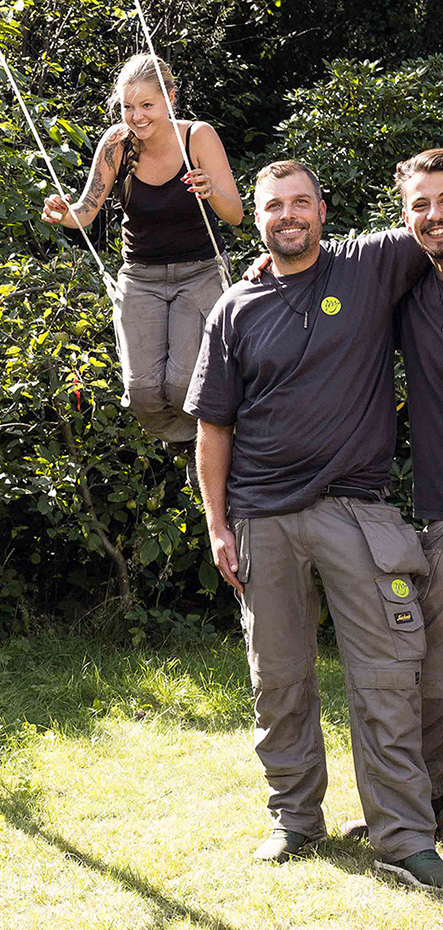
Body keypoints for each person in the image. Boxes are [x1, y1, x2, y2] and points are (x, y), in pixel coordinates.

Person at [184, 159, 443, 890]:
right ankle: (293, 820)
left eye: (301, 202)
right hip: (261, 517)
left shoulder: (370, 265)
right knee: (280, 681)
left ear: (323, 211)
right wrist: (217, 522)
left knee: (388, 679)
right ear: (257, 216)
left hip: (359, 514)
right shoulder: (233, 309)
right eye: (274, 206)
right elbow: (213, 428)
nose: (287, 214)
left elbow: (433, 218)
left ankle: (403, 838)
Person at [41, 54, 242, 464]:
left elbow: (236, 214)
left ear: (169, 99)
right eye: (127, 107)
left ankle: (207, 451)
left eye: (146, 105)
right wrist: (64, 215)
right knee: (143, 391)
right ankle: (184, 442)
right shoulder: (117, 143)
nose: (136, 116)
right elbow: (85, 213)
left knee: (187, 383)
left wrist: (210, 190)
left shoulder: (198, 137)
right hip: (141, 278)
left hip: (200, 272)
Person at [342, 150, 443, 845]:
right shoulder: (407, 288)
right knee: (429, 675)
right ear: (404, 215)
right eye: (421, 205)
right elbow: (321, 266)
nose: (435, 216)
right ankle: (424, 809)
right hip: (439, 509)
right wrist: (265, 267)